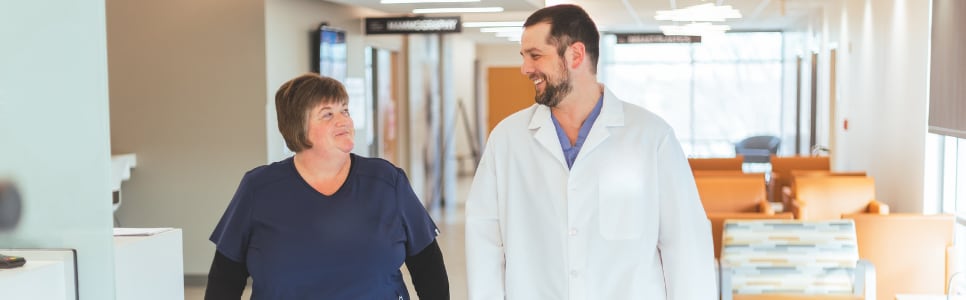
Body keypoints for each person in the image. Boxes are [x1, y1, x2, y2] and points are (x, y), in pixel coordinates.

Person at [464, 4, 716, 299]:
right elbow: (484, 242)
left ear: (575, 54)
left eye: (535, 56)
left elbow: (685, 245)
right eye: (524, 57)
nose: (525, 69)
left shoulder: (652, 137)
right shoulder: (507, 140)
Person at [206, 74, 449, 299]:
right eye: (328, 114)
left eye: (345, 110)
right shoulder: (259, 188)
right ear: (297, 126)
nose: (344, 120)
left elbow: (427, 265)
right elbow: (226, 277)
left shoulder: (386, 181)